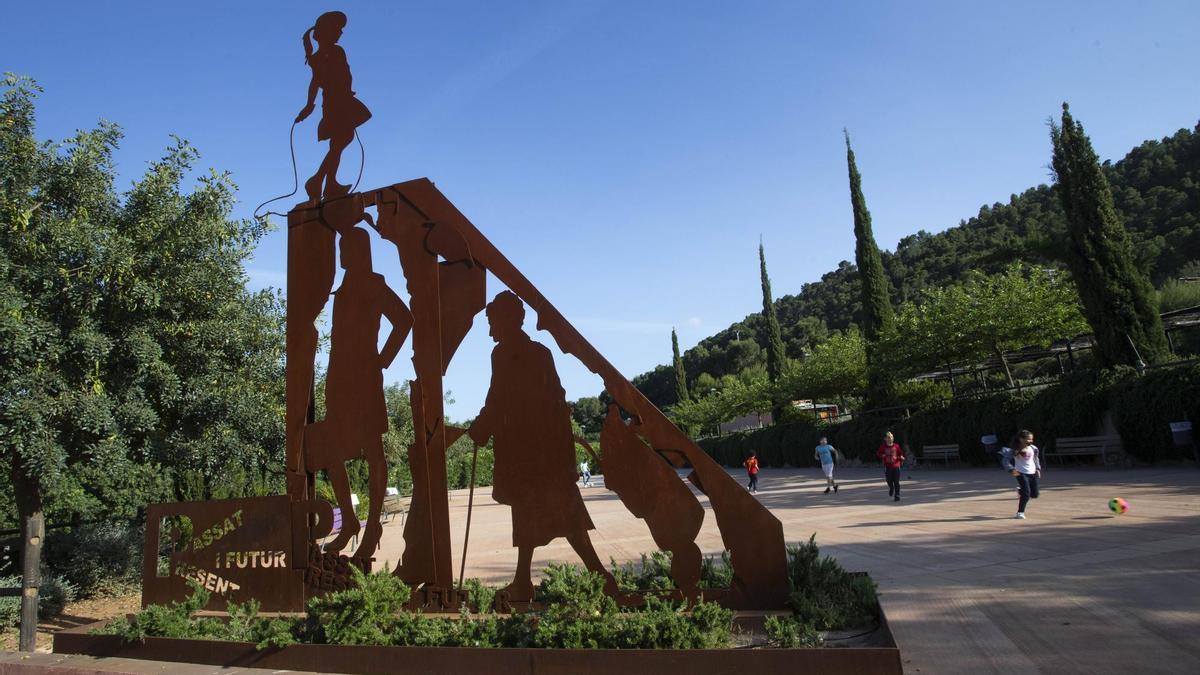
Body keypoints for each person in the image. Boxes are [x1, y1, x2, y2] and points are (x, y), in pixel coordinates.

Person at [468, 292, 618, 601]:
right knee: (536, 516)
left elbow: (508, 399)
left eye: (492, 321)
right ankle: (534, 580)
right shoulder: (517, 353)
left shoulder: (530, 354)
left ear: (508, 319)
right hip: (532, 453)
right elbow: (502, 399)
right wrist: (485, 424)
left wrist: (483, 426)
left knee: (562, 515)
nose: (490, 330)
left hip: (537, 454)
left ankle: (595, 575)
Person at [304, 228, 412, 556]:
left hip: (364, 377)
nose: (341, 254)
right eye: (340, 248)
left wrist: (382, 360)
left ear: (360, 250)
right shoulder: (343, 288)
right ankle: (349, 521)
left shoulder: (374, 285)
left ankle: (373, 525)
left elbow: (404, 320)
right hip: (338, 378)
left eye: (346, 248)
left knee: (372, 448)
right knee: (329, 449)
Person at [296, 11, 372, 202]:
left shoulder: (317, 56)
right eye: (338, 29)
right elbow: (319, 81)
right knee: (344, 138)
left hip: (331, 102)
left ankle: (327, 182)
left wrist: (310, 105)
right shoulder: (336, 51)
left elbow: (315, 82)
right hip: (338, 101)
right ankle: (320, 180)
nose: (340, 33)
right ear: (328, 31)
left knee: (340, 141)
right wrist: (309, 105)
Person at [1004, 430, 1042, 519]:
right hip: (1020, 473)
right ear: (1021, 439)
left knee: (1035, 494)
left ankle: (1020, 491)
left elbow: (1036, 459)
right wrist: (1011, 469)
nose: (1031, 441)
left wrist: (1038, 469)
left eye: (1031, 439)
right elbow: (1005, 461)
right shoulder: (1015, 450)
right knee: (1026, 494)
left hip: (1032, 472)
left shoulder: (1034, 448)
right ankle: (1020, 513)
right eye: (1028, 439)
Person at [877, 431, 905, 502]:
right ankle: (891, 487)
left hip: (896, 466)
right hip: (888, 466)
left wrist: (901, 457)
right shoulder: (883, 447)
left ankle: (897, 495)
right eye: (888, 438)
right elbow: (878, 453)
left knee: (896, 481)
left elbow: (900, 454)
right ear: (885, 439)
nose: (889, 439)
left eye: (890, 437)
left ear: (893, 438)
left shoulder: (896, 446)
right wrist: (882, 455)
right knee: (889, 480)